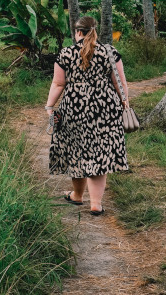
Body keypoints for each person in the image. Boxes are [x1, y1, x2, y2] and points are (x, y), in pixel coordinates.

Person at [45, 15, 129, 215]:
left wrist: (49, 106)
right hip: (105, 107)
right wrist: (125, 102)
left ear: (78, 32)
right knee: (99, 154)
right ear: (95, 31)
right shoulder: (110, 52)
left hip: (74, 106)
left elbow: (58, 84)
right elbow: (120, 83)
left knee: (77, 151)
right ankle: (96, 204)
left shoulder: (65, 53)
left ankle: (77, 195)